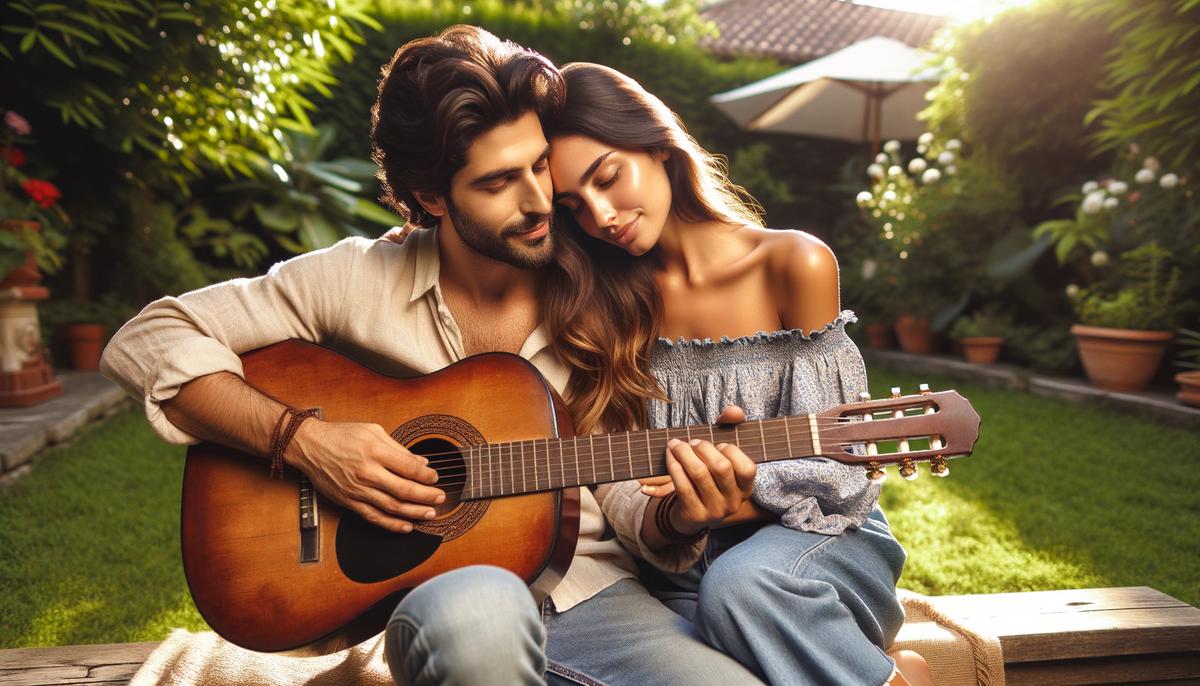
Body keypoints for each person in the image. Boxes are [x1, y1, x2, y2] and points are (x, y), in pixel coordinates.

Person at [100, 25, 766, 686]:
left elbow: (622, 484)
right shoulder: (356, 280)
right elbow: (149, 338)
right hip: (452, 605)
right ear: (430, 197)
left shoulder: (601, 293)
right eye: (500, 181)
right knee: (482, 622)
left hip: (591, 598)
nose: (539, 202)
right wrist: (305, 442)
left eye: (538, 165)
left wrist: (679, 511)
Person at [542, 62, 933, 686]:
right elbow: (620, 478)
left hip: (817, 544)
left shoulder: (793, 263)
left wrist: (741, 492)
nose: (601, 215)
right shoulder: (602, 307)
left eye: (608, 178)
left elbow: (840, 474)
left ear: (658, 144)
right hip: (681, 565)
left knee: (743, 590)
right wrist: (684, 515)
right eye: (573, 206)